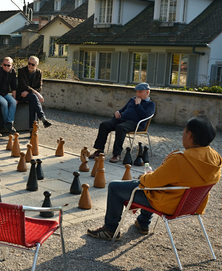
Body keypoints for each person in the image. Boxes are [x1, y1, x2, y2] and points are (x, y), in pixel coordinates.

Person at [87, 116, 222, 240]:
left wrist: (145, 177)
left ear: (190, 135)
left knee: (115, 187)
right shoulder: (215, 157)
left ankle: (110, 230)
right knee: (154, 185)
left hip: (170, 203)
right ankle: (143, 223)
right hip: (191, 204)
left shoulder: (181, 160)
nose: (183, 134)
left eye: (184, 131)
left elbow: (152, 182)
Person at [89, 82, 156, 163]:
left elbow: (145, 116)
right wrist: (118, 112)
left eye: (140, 92)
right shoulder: (132, 99)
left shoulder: (151, 104)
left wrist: (138, 105)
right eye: (137, 92)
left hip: (135, 124)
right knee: (104, 125)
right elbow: (123, 109)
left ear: (147, 92)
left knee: (120, 127)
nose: (138, 94)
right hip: (122, 120)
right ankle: (99, 150)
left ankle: (117, 154)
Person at [17, 56, 52, 131]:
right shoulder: (21, 71)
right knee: (33, 97)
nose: (30, 66)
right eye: (29, 63)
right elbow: (23, 85)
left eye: (33, 65)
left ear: (37, 65)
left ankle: (32, 129)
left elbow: (39, 87)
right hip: (21, 94)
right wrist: (37, 93)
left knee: (32, 101)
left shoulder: (39, 72)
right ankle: (42, 118)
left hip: (31, 95)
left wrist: (30, 91)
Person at [0, 57, 17, 133]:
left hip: (4, 93)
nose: (6, 67)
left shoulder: (13, 72)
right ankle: (6, 123)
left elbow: (13, 86)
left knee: (13, 102)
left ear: (11, 65)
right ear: (2, 64)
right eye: (5, 65)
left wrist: (14, 98)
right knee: (4, 103)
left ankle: (9, 122)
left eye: (8, 65)